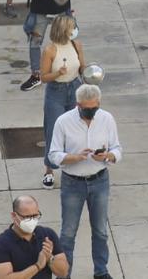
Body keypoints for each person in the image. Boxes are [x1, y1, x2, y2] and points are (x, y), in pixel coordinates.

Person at [47, 84, 120, 279]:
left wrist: (107, 156)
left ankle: (101, 271)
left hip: (99, 180)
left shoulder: (106, 119)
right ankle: (65, 274)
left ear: (98, 103)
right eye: (86, 108)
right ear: (78, 104)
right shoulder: (63, 122)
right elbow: (53, 155)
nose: (90, 112)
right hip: (73, 183)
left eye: (93, 108)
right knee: (68, 233)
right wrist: (75, 157)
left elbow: (117, 149)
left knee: (101, 231)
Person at [39, 14, 84, 190]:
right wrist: (58, 73)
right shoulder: (50, 50)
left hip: (74, 88)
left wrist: (89, 72)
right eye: (71, 27)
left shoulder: (77, 45)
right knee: (53, 130)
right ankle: (49, 171)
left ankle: (73, 165)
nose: (74, 30)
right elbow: (43, 77)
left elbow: (82, 67)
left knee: (75, 129)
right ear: (64, 29)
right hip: (56, 91)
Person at [0, 195, 69, 279]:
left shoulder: (47, 235)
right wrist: (37, 266)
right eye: (27, 217)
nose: (32, 220)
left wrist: (50, 258)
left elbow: (63, 273)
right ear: (14, 216)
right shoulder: (0, 244)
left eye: (35, 216)